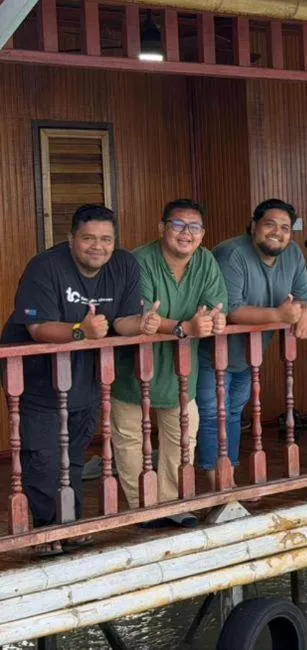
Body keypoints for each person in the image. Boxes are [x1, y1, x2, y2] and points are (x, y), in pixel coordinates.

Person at [0, 205, 149, 553]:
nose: (97, 246)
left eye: (106, 239)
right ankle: (48, 531)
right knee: (43, 456)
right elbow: (37, 329)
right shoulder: (45, 267)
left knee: (75, 454)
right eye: (88, 238)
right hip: (34, 379)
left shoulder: (124, 265)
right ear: (71, 239)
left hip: (85, 375)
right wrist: (81, 329)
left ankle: (72, 524)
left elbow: (124, 319)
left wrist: (141, 325)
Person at [112, 200, 227, 527]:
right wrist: (185, 327)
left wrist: (215, 322)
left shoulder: (206, 261)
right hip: (132, 369)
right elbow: (142, 317)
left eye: (194, 227)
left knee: (182, 437)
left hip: (181, 371)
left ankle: (174, 505)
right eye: (178, 225)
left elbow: (218, 306)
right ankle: (143, 509)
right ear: (162, 228)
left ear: (203, 234)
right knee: (131, 439)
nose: (185, 233)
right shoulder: (139, 261)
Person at [198, 200, 307, 489]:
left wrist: (306, 313)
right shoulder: (232, 253)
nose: (277, 232)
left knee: (235, 413)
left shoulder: (293, 254)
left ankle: (228, 476)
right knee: (213, 415)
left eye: (285, 228)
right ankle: (219, 483)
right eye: (270, 224)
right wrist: (278, 315)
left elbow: (302, 297)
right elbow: (231, 309)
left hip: (249, 355)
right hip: (211, 354)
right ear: (253, 226)